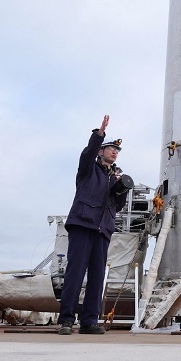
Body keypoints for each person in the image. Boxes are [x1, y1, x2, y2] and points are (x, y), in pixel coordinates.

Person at [57, 115, 130, 335]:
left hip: (103, 229)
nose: (114, 152)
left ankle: (89, 321)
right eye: (110, 149)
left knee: (97, 277)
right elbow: (87, 154)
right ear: (101, 151)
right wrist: (99, 135)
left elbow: (117, 206)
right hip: (83, 224)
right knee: (75, 273)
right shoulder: (89, 169)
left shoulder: (114, 177)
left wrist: (121, 189)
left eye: (117, 151)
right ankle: (67, 321)